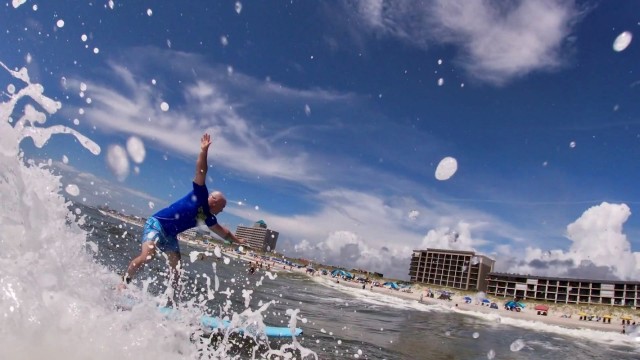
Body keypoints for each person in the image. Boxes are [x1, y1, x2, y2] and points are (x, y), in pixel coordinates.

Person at [121, 133, 245, 292]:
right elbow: (201, 171)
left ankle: (170, 299)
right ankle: (124, 282)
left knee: (176, 268)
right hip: (157, 224)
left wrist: (238, 241)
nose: (222, 211)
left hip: (170, 235)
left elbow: (224, 233)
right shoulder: (199, 195)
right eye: (221, 207)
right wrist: (204, 151)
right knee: (148, 256)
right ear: (214, 201)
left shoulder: (207, 217)